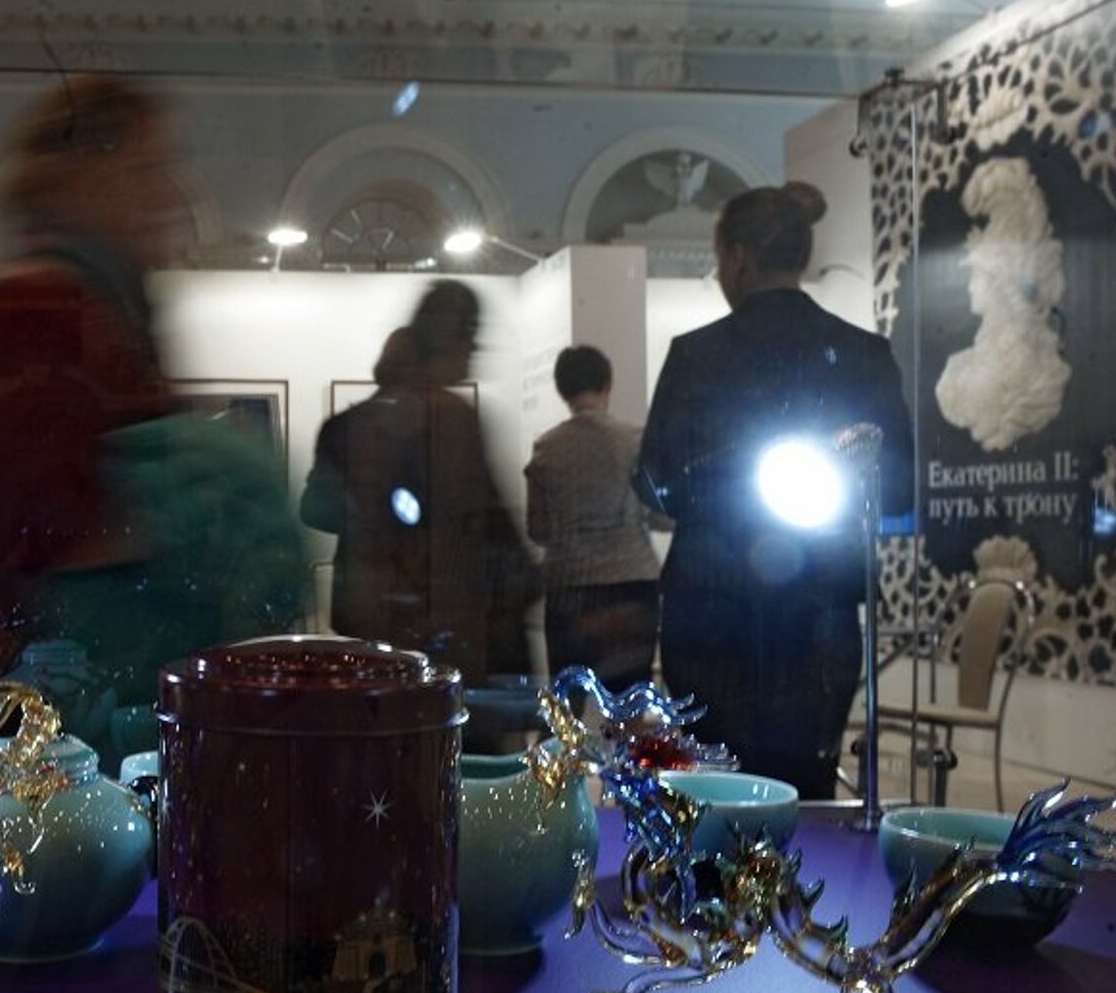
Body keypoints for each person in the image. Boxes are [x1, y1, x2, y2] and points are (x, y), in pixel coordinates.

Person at [0, 76, 304, 767]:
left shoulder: (101, 309)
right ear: (83, 177)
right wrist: (214, 497)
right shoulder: (37, 310)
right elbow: (44, 537)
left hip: (78, 723)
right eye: (147, 169)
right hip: (44, 734)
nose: (167, 196)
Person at [636, 183, 912, 799]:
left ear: (737, 259)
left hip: (709, 607)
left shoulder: (696, 356)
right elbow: (897, 491)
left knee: (710, 790)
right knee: (804, 795)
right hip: (820, 610)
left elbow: (655, 483)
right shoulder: (864, 354)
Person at [301, 282, 537, 681]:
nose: (475, 349)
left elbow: (316, 509)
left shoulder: (346, 427)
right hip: (443, 619)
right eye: (470, 334)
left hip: (374, 615)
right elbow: (479, 526)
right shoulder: (453, 420)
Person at [525, 345, 665, 691]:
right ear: (607, 384)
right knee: (631, 697)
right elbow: (661, 515)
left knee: (568, 696)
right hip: (632, 580)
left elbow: (538, 529)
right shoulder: (635, 441)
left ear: (561, 389)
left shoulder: (546, 448)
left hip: (569, 584)